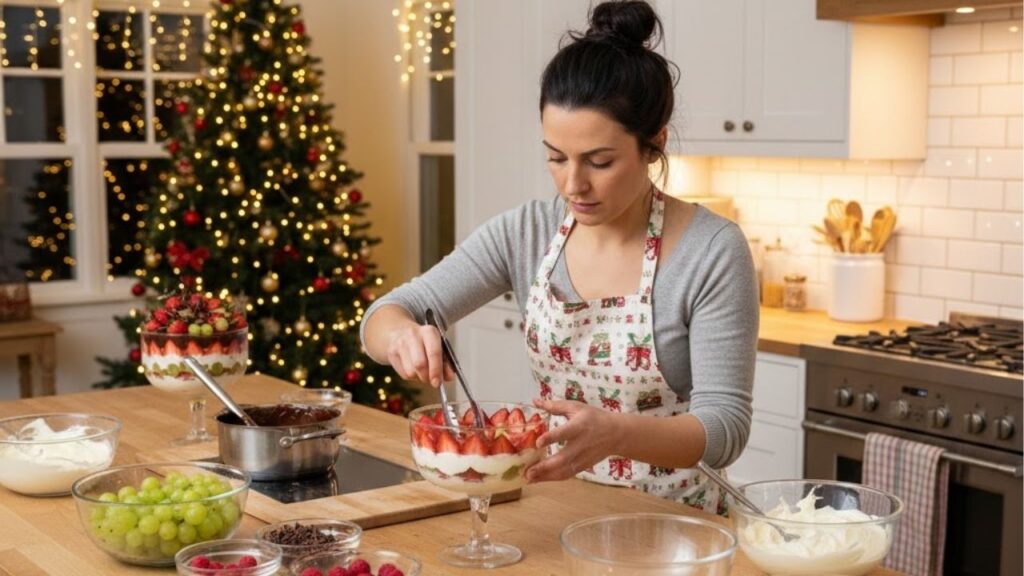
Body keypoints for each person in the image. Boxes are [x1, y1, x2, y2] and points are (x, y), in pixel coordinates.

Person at [360, 0, 758, 515]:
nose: (574, 184)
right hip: (556, 514)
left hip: (679, 528)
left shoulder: (711, 251)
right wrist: (402, 337)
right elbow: (383, 316)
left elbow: (725, 428)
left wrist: (617, 434)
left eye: (600, 161)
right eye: (555, 157)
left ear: (654, 142)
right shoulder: (527, 232)